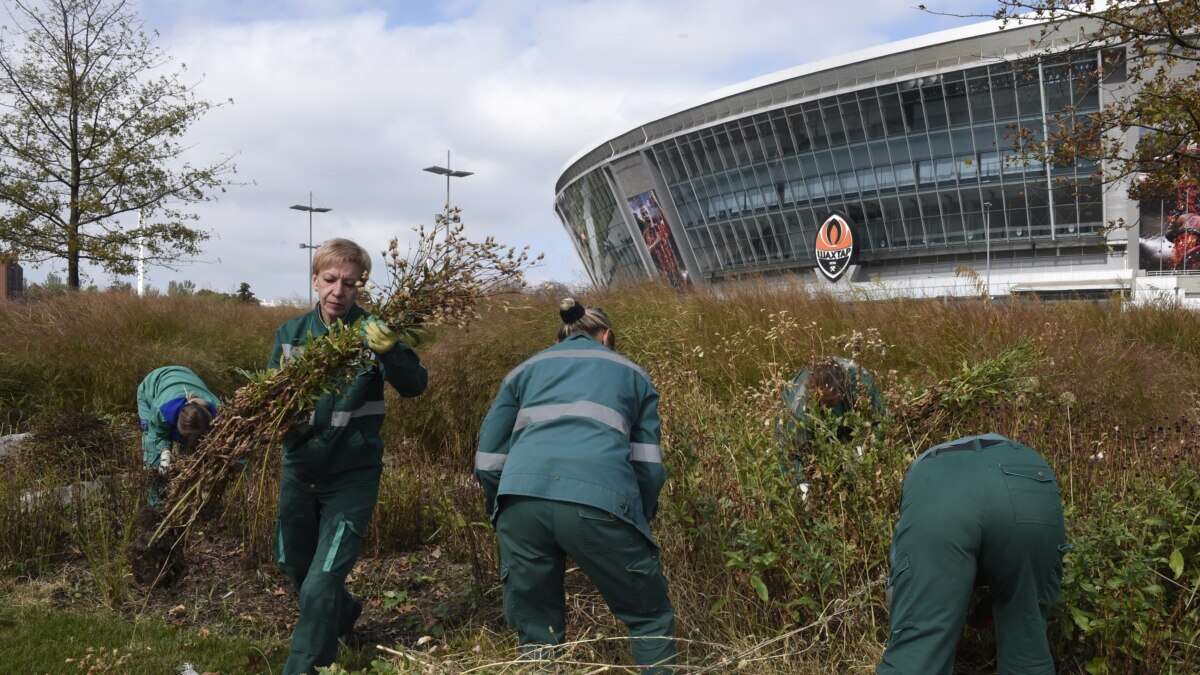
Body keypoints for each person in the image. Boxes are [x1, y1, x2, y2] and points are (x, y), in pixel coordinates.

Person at [474, 298, 674, 672]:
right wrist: (638, 519)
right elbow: (648, 467)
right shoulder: (632, 374)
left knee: (537, 634)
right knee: (649, 617)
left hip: (520, 503)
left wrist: (501, 513)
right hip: (600, 501)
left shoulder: (523, 372)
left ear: (563, 334)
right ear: (607, 336)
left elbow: (487, 462)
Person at [270, 238, 427, 675]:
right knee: (292, 562)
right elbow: (270, 399)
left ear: (361, 288)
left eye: (350, 283)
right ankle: (342, 613)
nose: (340, 291)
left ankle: (304, 667)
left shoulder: (373, 333)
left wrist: (390, 350)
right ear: (316, 281)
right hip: (300, 470)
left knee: (321, 582)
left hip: (351, 476)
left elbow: (415, 385)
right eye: (331, 280)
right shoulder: (291, 335)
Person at [877, 433, 1067, 675]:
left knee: (918, 650)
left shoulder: (921, 477)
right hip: (1029, 478)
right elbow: (1008, 569)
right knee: (1027, 648)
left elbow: (908, 596)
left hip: (943, 485)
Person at [778, 356, 884, 489]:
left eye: (834, 402)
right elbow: (789, 455)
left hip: (851, 424)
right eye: (826, 405)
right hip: (814, 435)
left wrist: (864, 452)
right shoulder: (795, 410)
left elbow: (882, 420)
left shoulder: (860, 381)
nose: (830, 410)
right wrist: (803, 486)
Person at [136, 365, 219, 506]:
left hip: (185, 375)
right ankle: (155, 503)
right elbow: (155, 436)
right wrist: (164, 452)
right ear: (177, 425)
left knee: (193, 450)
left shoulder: (217, 411)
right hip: (152, 386)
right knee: (153, 456)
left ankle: (186, 495)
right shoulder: (161, 411)